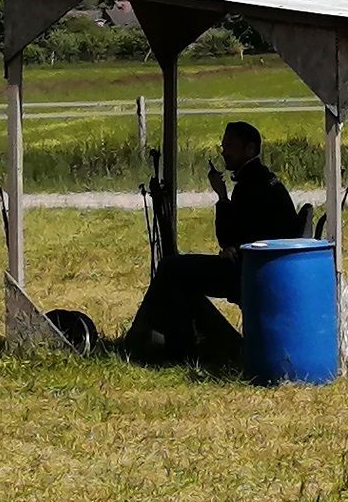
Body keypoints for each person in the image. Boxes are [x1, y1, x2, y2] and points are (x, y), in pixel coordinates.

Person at [125, 121, 298, 362]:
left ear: (249, 149)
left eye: (230, 146)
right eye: (223, 146)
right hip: (263, 266)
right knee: (178, 272)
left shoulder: (250, 186)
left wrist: (222, 198)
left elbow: (228, 237)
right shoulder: (263, 179)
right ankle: (183, 342)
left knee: (171, 268)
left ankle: (165, 345)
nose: (224, 152)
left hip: (252, 271)